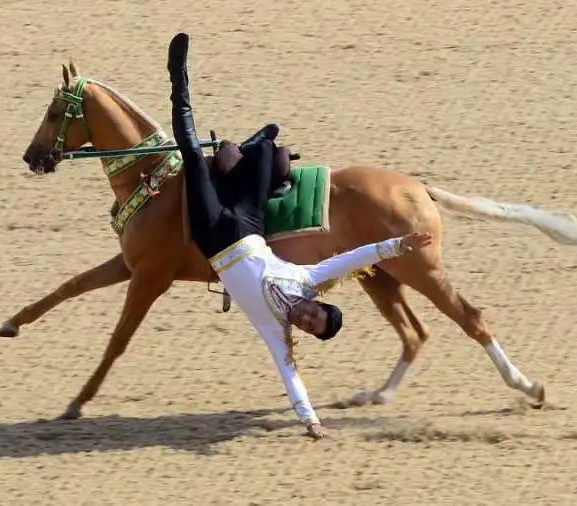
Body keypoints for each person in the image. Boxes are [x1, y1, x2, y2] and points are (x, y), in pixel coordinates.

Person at [167, 33, 433, 440]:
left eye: (310, 326)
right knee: (266, 152)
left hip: (215, 240)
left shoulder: (276, 331)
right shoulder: (307, 280)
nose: (306, 320)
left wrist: (311, 422)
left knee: (191, 156)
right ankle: (257, 144)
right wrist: (399, 244)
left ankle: (178, 79)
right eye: (315, 315)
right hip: (249, 227)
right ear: (317, 302)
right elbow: (357, 257)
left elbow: (290, 377)